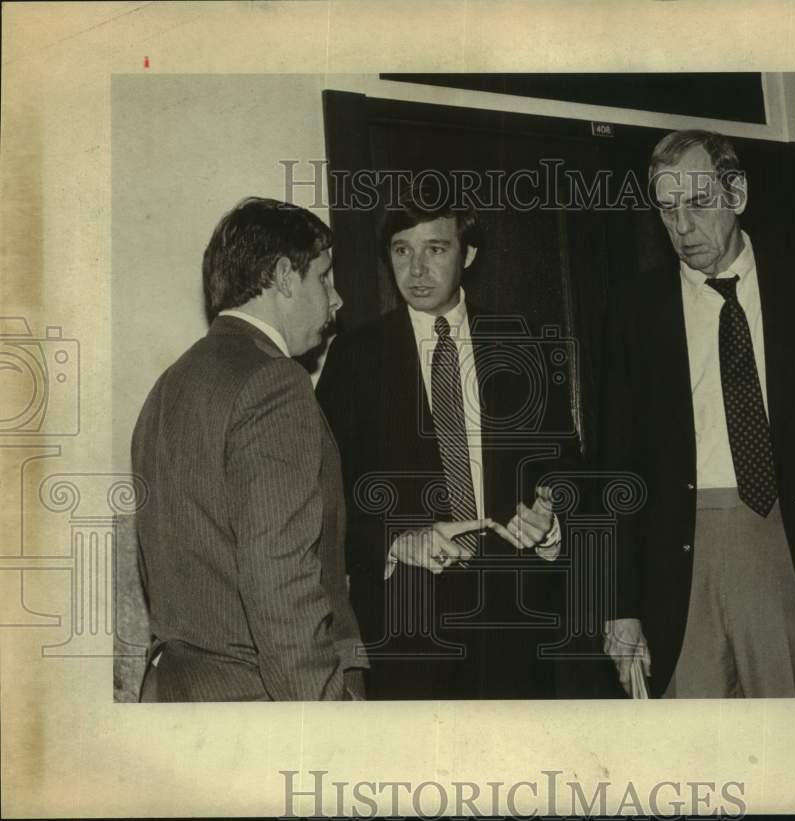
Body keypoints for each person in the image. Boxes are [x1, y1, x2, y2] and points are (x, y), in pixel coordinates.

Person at [600, 130, 795, 698]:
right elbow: (615, 465)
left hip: (791, 543)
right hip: (678, 560)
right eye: (667, 208)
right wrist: (619, 605)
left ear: (737, 194)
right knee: (699, 758)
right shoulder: (635, 310)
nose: (681, 227)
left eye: (698, 203)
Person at [316, 181, 579, 699]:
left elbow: (566, 466)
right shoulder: (354, 359)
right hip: (406, 622)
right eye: (401, 251)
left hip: (515, 617)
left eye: (435, 250)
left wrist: (551, 523)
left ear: (469, 254)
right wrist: (394, 540)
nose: (415, 271)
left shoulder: (518, 343)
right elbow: (323, 494)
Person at [132, 197, 365, 701]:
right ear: (284, 276)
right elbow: (281, 584)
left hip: (181, 694)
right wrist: (325, 729)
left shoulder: (168, 386)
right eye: (324, 277)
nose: (337, 298)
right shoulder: (275, 383)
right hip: (261, 703)